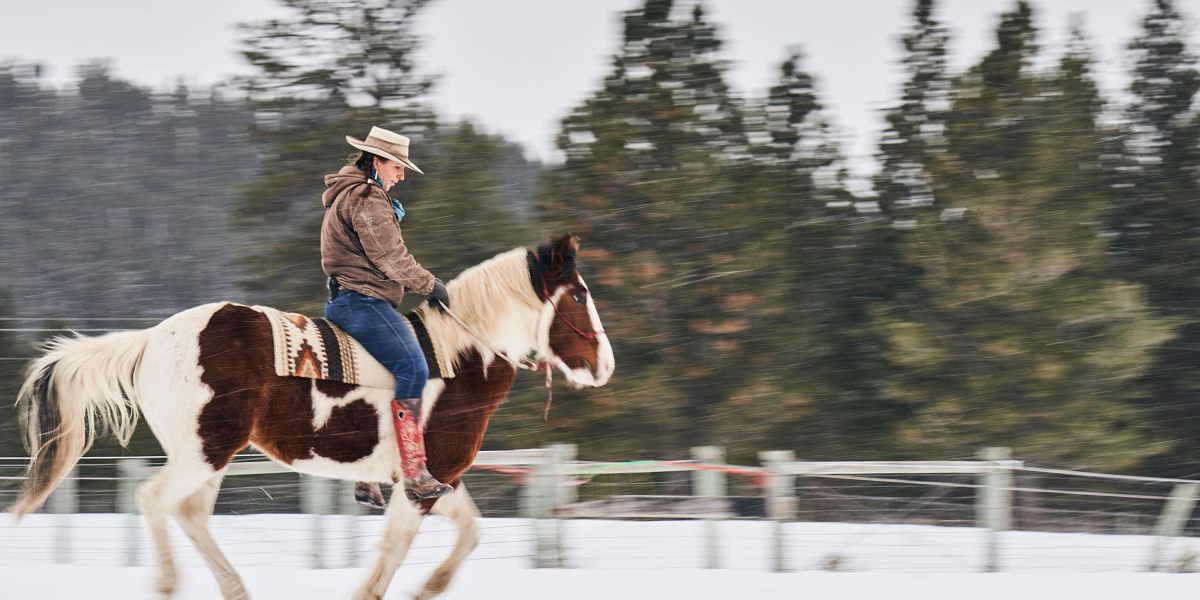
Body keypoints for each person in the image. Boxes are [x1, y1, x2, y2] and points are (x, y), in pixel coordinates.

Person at [320, 126, 453, 506]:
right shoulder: (367, 197)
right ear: (376, 162)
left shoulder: (350, 193)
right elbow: (391, 257)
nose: (402, 175)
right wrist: (430, 285)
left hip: (350, 299)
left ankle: (367, 471)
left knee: (382, 378)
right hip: (363, 302)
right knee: (414, 368)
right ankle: (414, 472)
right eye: (397, 166)